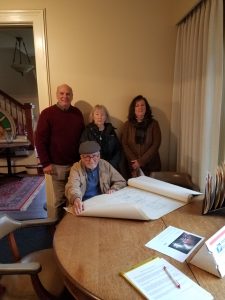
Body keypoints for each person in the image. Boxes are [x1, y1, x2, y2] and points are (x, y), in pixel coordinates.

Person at [35, 84, 85, 219]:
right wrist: (45, 163)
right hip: (57, 166)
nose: (65, 96)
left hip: (76, 165)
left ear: (72, 96)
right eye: (62, 93)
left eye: (68, 94)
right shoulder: (47, 113)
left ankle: (72, 230)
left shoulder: (77, 113)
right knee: (60, 201)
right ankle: (57, 228)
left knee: (75, 199)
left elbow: (82, 137)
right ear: (57, 95)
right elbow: (39, 140)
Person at [65, 140, 126, 215]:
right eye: (87, 157)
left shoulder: (104, 164)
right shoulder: (76, 168)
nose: (91, 160)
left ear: (99, 155)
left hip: (102, 203)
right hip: (83, 204)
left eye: (94, 156)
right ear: (81, 157)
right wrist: (76, 199)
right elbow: (72, 186)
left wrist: (114, 189)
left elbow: (121, 181)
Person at [121, 95, 161, 178]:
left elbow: (156, 144)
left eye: (143, 105)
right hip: (133, 166)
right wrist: (135, 162)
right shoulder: (127, 125)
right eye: (137, 105)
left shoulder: (154, 124)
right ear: (133, 109)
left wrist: (141, 161)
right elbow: (124, 144)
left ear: (146, 107)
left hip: (152, 165)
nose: (140, 107)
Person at [80, 104, 121, 171]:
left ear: (106, 117)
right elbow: (84, 152)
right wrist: (96, 165)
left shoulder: (111, 131)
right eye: (97, 114)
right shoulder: (87, 131)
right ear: (93, 116)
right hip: (93, 169)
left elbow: (118, 150)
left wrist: (110, 165)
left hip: (110, 168)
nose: (100, 117)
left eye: (102, 114)